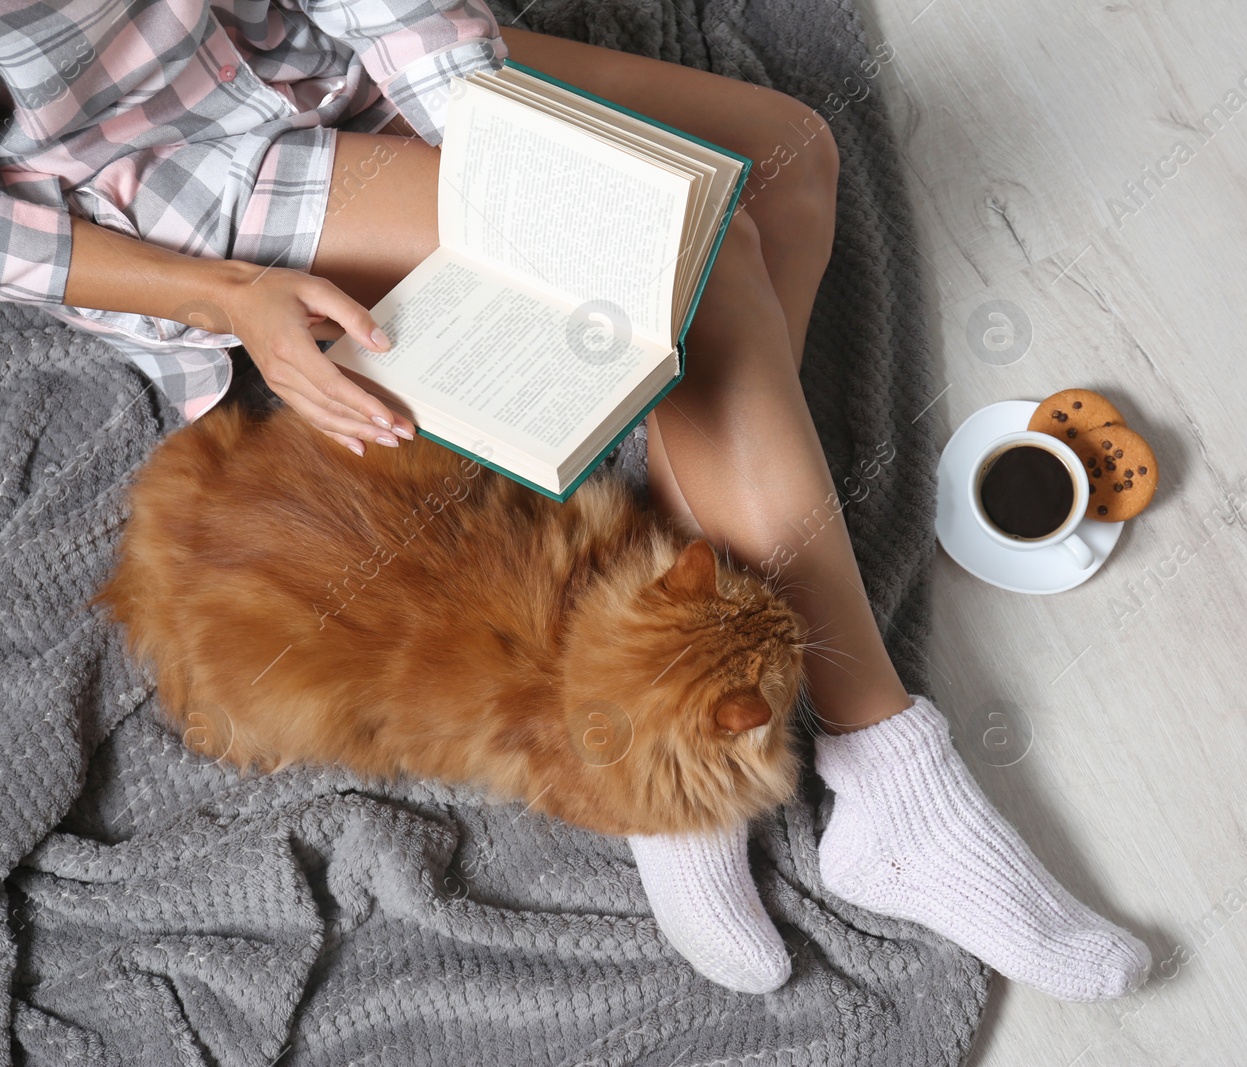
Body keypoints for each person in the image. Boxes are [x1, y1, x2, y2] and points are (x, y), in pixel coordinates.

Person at [0, 0, 1150, 1000]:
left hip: (304, 47)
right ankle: (886, 768)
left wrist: (500, 140)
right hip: (172, 182)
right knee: (694, 269)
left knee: (783, 157)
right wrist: (229, 293)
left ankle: (663, 721)